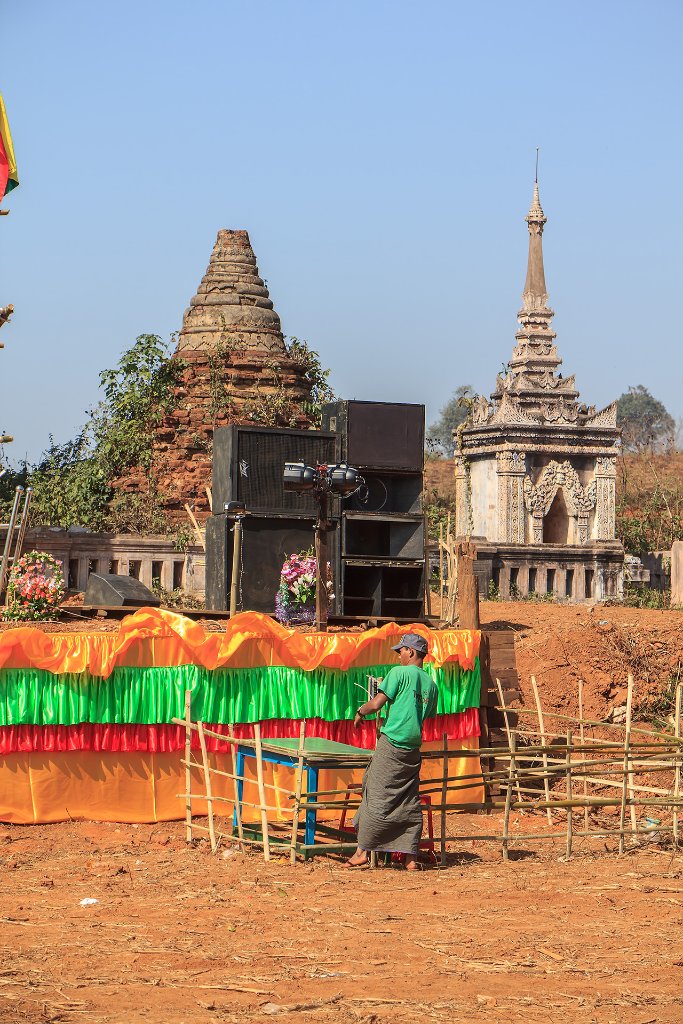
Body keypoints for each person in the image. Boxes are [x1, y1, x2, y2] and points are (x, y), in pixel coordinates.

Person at [344, 633, 438, 870]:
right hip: (412, 750)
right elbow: (424, 717)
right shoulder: (432, 686)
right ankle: (410, 858)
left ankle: (362, 851)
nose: (399, 655)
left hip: (392, 745)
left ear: (412, 652)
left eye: (401, 651)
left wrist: (360, 712)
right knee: (407, 799)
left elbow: (376, 704)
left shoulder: (398, 674)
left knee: (374, 794)